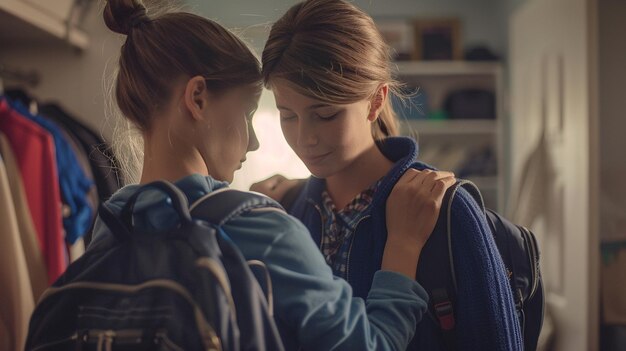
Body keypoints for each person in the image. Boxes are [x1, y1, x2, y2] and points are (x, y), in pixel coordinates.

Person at [88, 0, 457, 350]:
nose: (253, 143)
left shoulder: (114, 218)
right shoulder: (258, 227)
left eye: (325, 114)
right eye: (250, 113)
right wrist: (403, 245)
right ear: (197, 98)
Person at [254, 0, 523, 350]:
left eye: (327, 114)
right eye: (288, 115)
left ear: (375, 101)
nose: (306, 138)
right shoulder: (288, 210)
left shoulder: (446, 209)